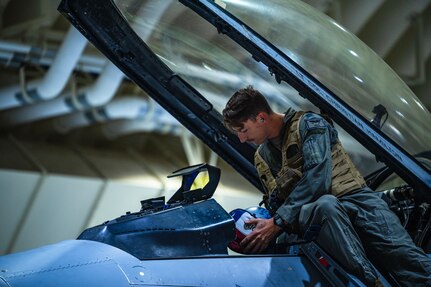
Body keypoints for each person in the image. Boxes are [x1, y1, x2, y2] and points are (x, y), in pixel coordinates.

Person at [222, 86, 431, 287]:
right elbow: (278, 200)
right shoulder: (263, 156)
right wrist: (270, 220)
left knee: (409, 260)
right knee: (325, 206)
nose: (241, 139)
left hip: (356, 200)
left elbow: (318, 178)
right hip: (312, 217)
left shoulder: (309, 124)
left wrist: (278, 221)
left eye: (243, 129)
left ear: (261, 117)